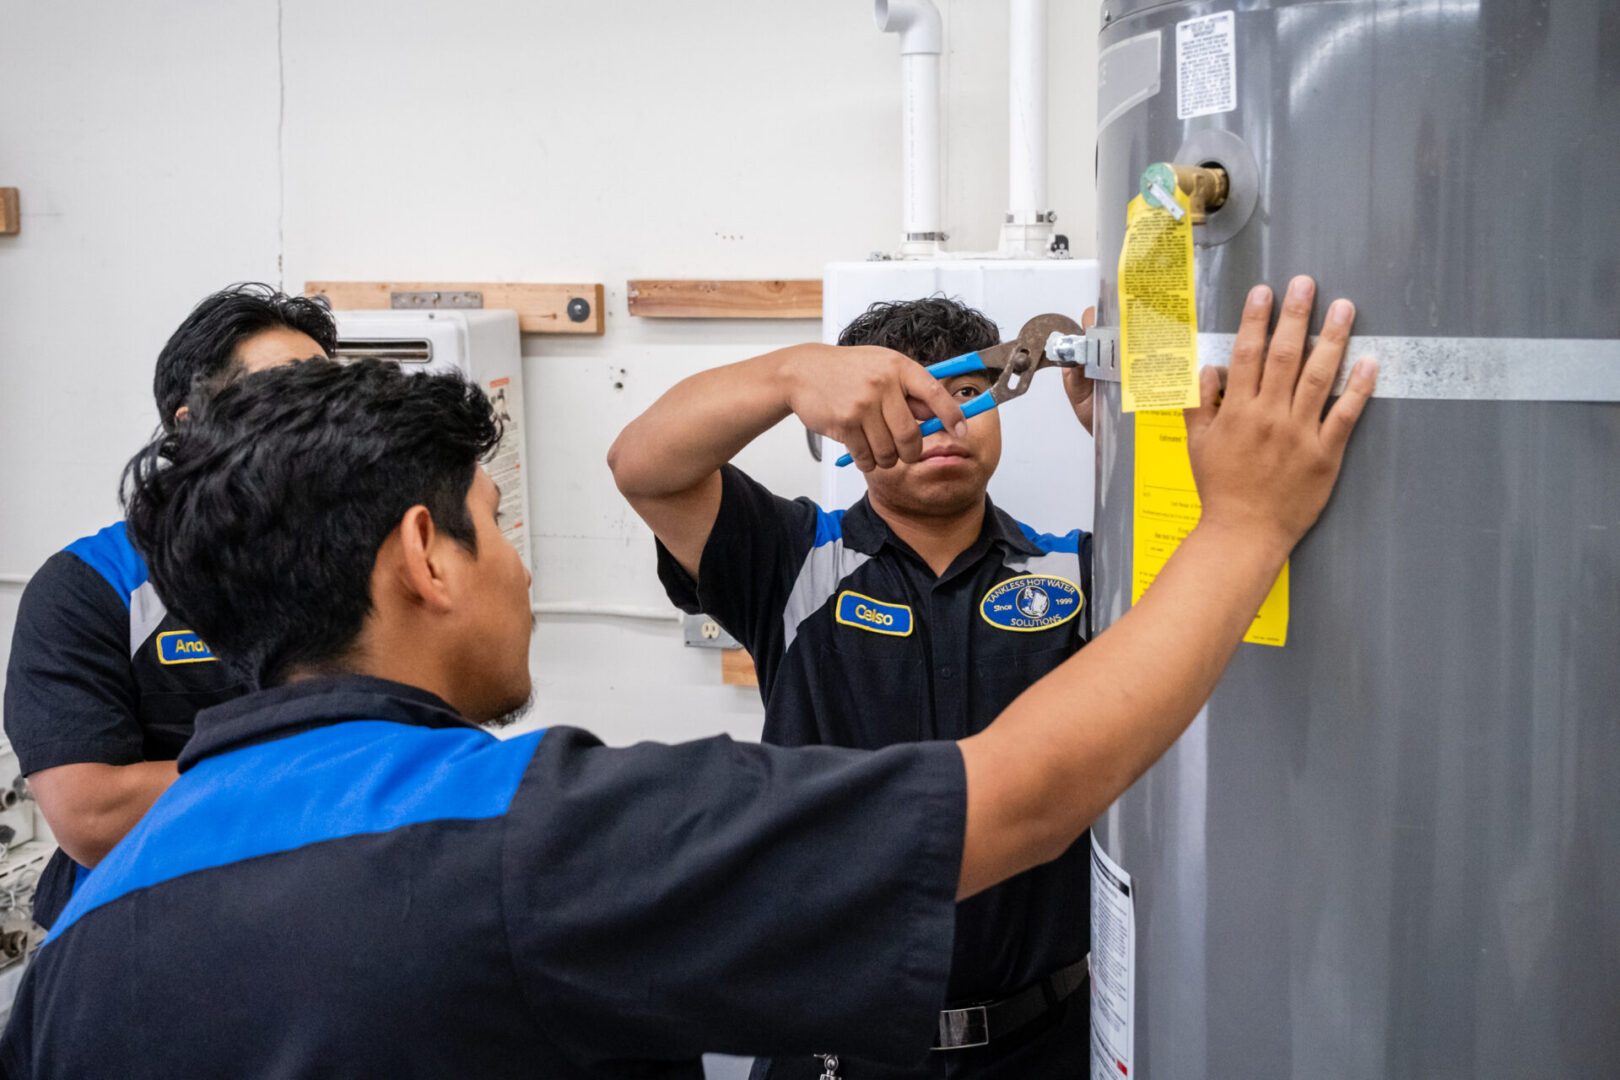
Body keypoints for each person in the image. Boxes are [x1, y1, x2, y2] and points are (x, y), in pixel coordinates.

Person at [0, 279, 1373, 1078]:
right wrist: (1244, 521)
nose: (526, 569)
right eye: (498, 519)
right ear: (427, 554)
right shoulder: (533, 842)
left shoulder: (92, 932)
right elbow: (1008, 798)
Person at [606, 295, 1098, 1076]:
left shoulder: (1078, 573)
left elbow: (1214, 589)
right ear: (847, 423)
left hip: (1047, 1042)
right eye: (907, 402)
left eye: (969, 392)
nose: (943, 419)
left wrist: (1125, 437)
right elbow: (643, 465)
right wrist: (793, 372)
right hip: (835, 1047)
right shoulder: (790, 558)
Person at [1, 284, 335, 929]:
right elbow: (91, 814)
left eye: (325, 394)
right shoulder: (90, 586)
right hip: (133, 930)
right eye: (282, 393)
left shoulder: (367, 566)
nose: (313, 417)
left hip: (315, 915)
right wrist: (319, 767)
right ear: (191, 425)